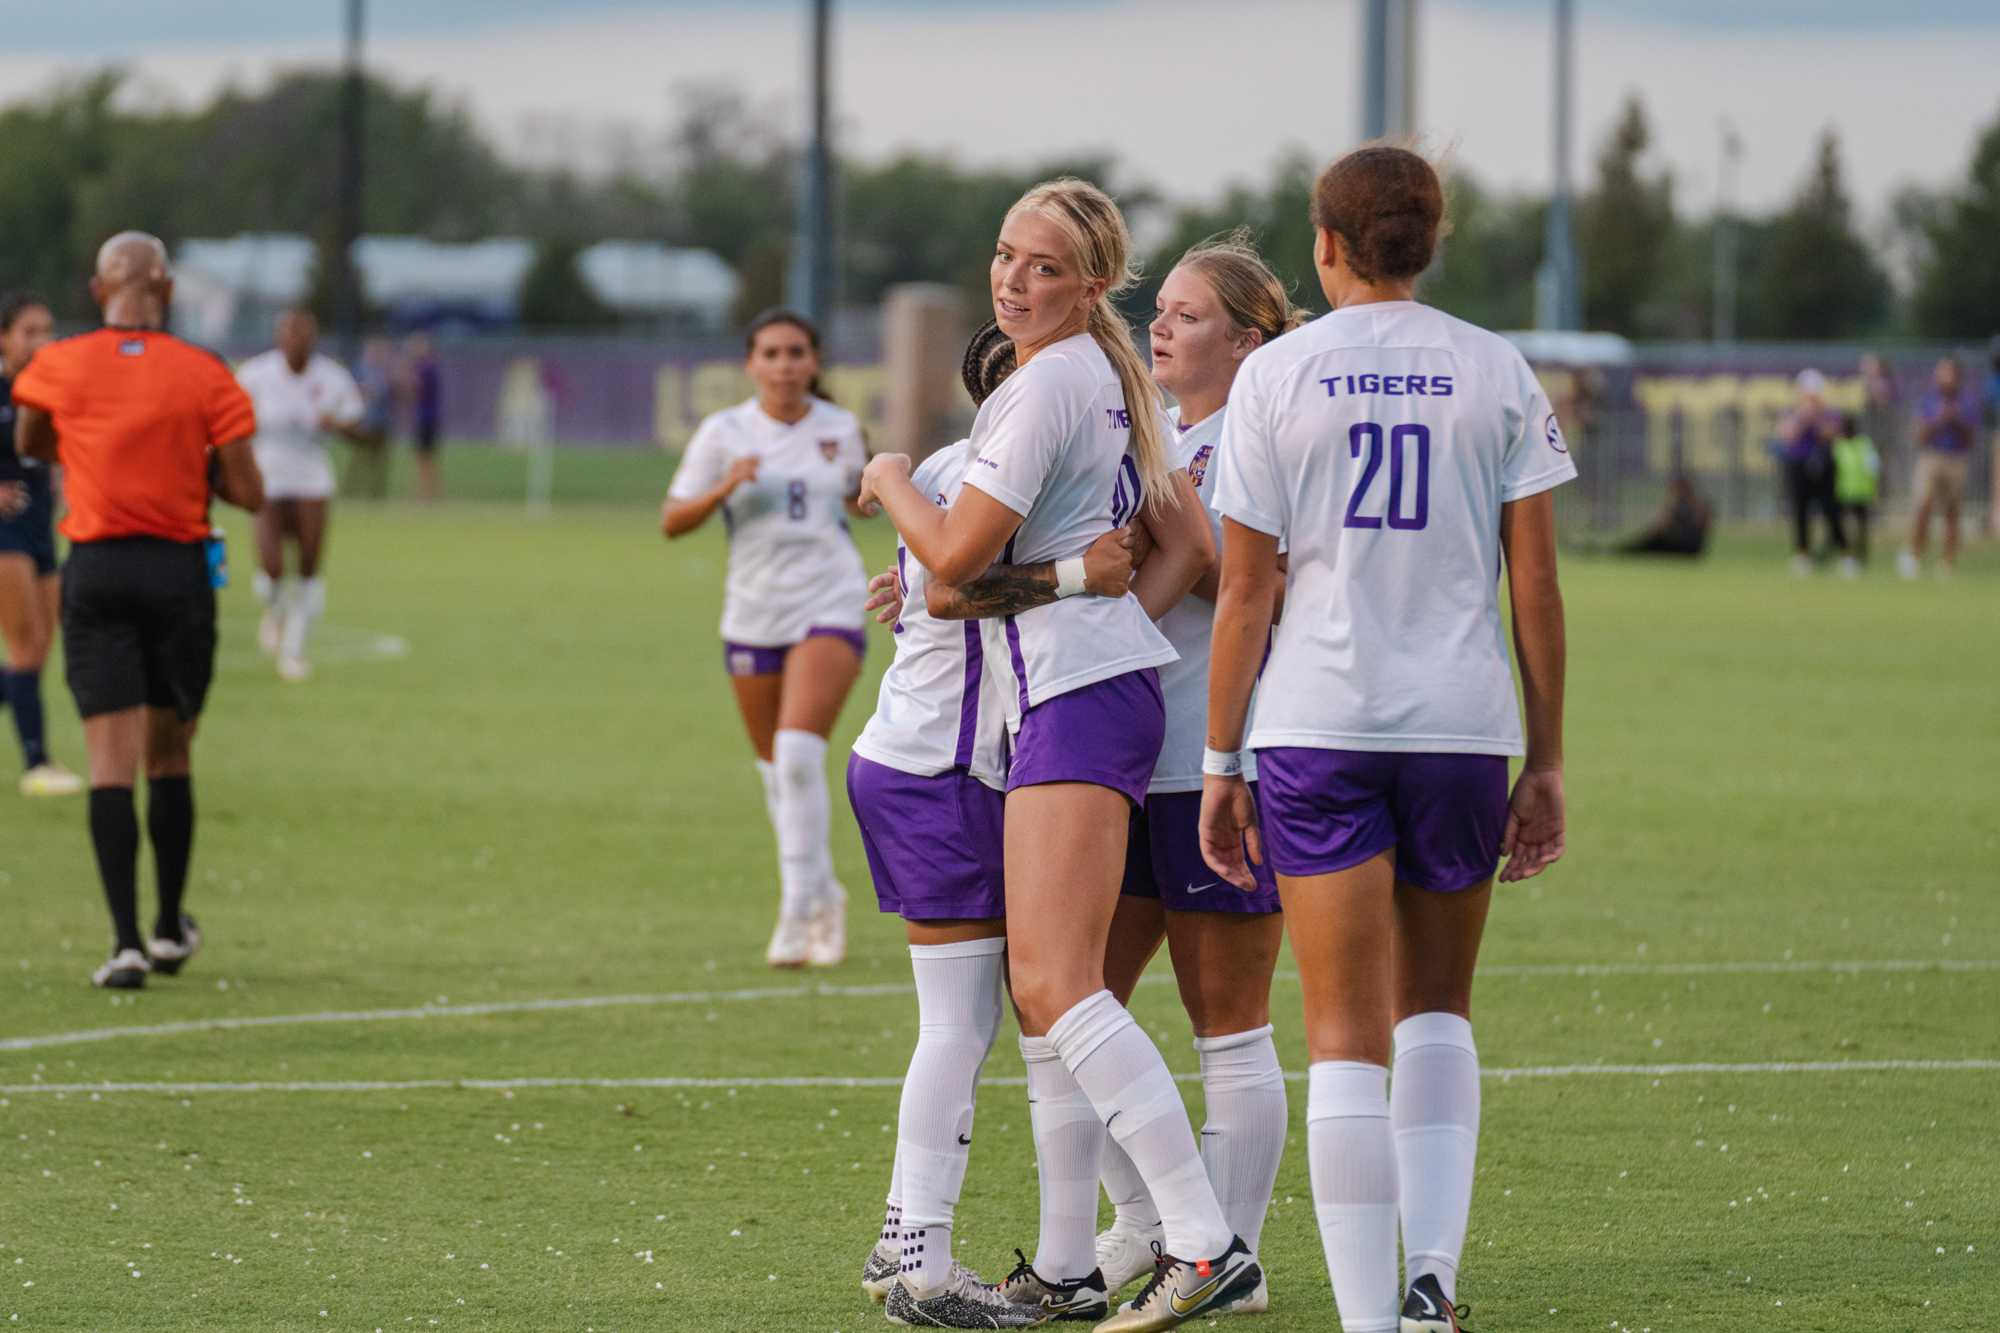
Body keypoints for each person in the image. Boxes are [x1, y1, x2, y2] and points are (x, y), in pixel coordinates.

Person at [859, 176, 1258, 1332]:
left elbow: (948, 568)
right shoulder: (1114, 377)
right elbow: (1183, 540)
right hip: (1084, 692)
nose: (1012, 280)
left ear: (1091, 283)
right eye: (1002, 256)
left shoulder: (1050, 385)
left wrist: (888, 478)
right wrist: (1109, 611)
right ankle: (1129, 1246)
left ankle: (1199, 1239)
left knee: (1054, 989)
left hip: (1076, 700)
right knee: (1050, 993)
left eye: (1041, 266)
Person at [1199, 146, 1572, 1333]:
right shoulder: (1495, 368)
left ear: (1323, 243)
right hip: (1460, 729)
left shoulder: (1276, 376)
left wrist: (1218, 763)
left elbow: (1243, 594)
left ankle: (1371, 1322)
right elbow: (1537, 587)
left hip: (1314, 725)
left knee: (1342, 1035)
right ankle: (1432, 1284)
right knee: (1436, 1012)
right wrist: (1547, 758)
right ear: (1429, 238)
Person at [851, 321, 1138, 1329]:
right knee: (964, 1023)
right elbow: (951, 584)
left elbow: (921, 585)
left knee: (998, 1016)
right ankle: (914, 1253)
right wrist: (1078, 576)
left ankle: (921, 1243)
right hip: (944, 769)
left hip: (918, 758)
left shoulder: (951, 467)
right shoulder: (982, 474)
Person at [1086, 232, 1306, 1318]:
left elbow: (1240, 585)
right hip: (1123, 761)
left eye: (1183, 313)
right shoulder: (1160, 436)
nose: (1156, 328)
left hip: (1219, 763)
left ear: (1248, 340)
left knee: (1229, 1022)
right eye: (1155, 310)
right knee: (1066, 1004)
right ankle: (1162, 1227)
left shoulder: (1265, 443)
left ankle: (1231, 1257)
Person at [10, 231, 263, 989]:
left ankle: (122, 943)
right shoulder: (207, 374)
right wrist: (190, 463)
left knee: (107, 763)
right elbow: (248, 491)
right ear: (168, 291)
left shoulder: (56, 364)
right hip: (177, 571)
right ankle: (167, 928)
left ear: (98, 291)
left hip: (98, 569)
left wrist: (99, 450)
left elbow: (33, 439)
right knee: (171, 753)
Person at [662, 309, 870, 969]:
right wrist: (728, 484)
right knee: (775, 771)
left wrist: (884, 491)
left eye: (796, 352)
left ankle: (794, 910)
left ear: (814, 362)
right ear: (750, 364)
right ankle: (825, 894)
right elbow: (673, 520)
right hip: (754, 611)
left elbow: (864, 499)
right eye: (771, 353)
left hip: (830, 600)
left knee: (799, 753)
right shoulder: (723, 433)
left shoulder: (840, 428)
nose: (784, 364)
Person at [236, 310, 366, 682]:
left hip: (311, 479)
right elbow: (232, 425)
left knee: (308, 565)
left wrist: (336, 425)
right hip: (268, 478)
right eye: (289, 335)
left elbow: (358, 426)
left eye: (303, 337)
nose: (295, 343)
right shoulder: (255, 375)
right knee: (271, 566)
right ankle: (273, 610)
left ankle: (293, 650)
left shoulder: (332, 378)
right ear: (279, 339)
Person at [0, 292, 84, 796]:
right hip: (4, 532)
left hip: (40, 526)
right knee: (26, 645)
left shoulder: (54, 389)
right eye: (28, 331)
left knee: (37, 653)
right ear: (4, 337)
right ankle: (37, 764)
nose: (40, 341)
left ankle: (37, 757)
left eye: (46, 330)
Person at [1898, 356, 1983, 579]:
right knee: (1923, 503)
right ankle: (1914, 554)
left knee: (1952, 511)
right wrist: (1939, 419)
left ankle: (1947, 561)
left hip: (1957, 458)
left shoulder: (1967, 402)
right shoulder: (1929, 400)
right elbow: (1918, 435)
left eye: (1948, 373)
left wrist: (1955, 420)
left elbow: (1971, 438)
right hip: (1931, 456)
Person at [1776, 369, 1850, 576]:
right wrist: (1802, 419)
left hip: (1824, 464)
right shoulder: (1793, 412)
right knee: (1800, 509)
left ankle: (1845, 552)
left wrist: (1815, 419)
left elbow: (1835, 434)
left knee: (1831, 508)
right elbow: (1787, 435)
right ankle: (1802, 553)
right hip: (1799, 463)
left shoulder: (1828, 412)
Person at [343, 336, 397, 501]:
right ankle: (350, 491)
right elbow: (349, 389)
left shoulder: (384, 371)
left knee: (380, 461)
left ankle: (376, 494)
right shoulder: (360, 369)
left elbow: (390, 393)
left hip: (382, 422)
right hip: (365, 422)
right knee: (359, 459)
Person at [1615, 472, 1712, 558]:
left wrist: (1670, 504)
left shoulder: (1697, 505)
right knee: (1651, 541)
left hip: (1688, 547)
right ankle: (1623, 550)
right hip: (1681, 545)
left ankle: (1623, 550)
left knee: (1653, 540)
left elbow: (1663, 524)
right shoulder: (1683, 504)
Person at [1830, 414, 1881, 566]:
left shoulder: (1864, 444)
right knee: (1843, 527)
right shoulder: (1838, 445)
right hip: (1843, 492)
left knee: (1861, 528)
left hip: (1862, 493)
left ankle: (1861, 557)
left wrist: (1874, 489)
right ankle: (1847, 555)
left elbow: (1874, 468)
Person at [403, 334, 444, 503]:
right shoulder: (428, 367)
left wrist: (405, 373)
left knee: (424, 459)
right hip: (426, 418)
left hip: (426, 419)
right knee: (425, 458)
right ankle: (427, 494)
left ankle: (426, 495)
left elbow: (413, 388)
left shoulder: (425, 368)